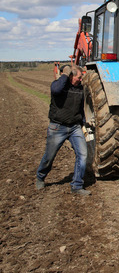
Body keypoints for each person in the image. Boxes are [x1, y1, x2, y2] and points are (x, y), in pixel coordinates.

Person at [36, 64, 91, 196]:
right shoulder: (58, 86)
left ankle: (77, 185)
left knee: (82, 155)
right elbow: (56, 91)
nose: (81, 79)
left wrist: (83, 123)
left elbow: (80, 108)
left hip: (74, 127)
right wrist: (65, 75)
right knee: (49, 156)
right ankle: (40, 177)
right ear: (70, 76)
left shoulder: (80, 88)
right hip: (57, 127)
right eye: (79, 76)